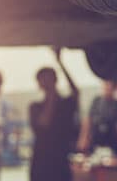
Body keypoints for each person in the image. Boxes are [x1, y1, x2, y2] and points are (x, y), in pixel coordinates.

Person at [29, 47, 80, 181]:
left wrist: (60, 63)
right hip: (42, 162)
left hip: (60, 160)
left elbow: (76, 92)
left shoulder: (65, 104)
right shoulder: (35, 107)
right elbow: (44, 122)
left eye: (50, 79)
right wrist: (51, 96)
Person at [78, 80, 117, 156]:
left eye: (110, 86)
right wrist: (83, 140)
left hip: (112, 144)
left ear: (114, 88)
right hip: (95, 143)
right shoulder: (96, 101)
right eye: (106, 85)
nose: (107, 87)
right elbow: (88, 121)